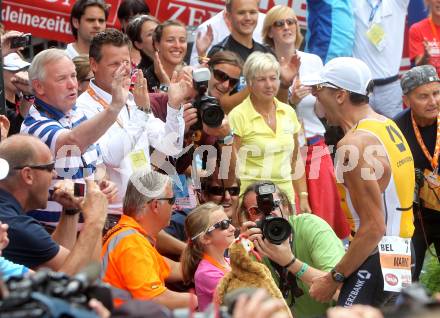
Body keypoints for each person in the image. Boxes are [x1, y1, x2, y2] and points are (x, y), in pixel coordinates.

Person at [305, 57, 415, 306]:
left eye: (319, 90)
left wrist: (333, 278)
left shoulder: (352, 146)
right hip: (401, 251)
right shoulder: (387, 124)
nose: (316, 98)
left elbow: (374, 227)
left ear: (341, 95)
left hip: (376, 256)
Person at [76, 28, 185, 219]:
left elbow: (170, 147)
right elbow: (111, 157)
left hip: (144, 209)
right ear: (94, 64)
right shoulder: (82, 107)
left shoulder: (133, 100)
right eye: (114, 64)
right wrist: (141, 113)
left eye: (126, 62)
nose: (123, 69)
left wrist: (174, 107)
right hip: (110, 215)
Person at [262, 5, 348, 236]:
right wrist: (289, 99)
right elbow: (262, 110)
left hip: (314, 143)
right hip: (283, 150)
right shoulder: (263, 63)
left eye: (290, 22)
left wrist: (320, 96)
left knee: (324, 221)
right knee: (294, 219)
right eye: (279, 24)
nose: (287, 27)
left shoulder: (313, 61)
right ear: (270, 31)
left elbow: (322, 112)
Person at [21, 48, 127, 227]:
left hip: (88, 229)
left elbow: (93, 165)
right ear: (38, 86)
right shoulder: (35, 125)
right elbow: (72, 142)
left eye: (73, 76)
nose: (73, 85)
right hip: (53, 236)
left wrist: (102, 183)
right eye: (62, 79)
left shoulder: (77, 114)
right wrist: (114, 107)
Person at [0, 135, 108, 275]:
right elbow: (83, 278)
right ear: (28, 175)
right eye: (50, 167)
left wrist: (71, 210)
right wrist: (95, 220)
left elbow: (59, 262)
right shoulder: (16, 225)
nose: (55, 174)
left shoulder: (10, 216)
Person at [241, 181, 345, 318]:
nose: (268, 214)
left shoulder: (311, 227)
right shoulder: (250, 245)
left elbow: (341, 290)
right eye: (256, 211)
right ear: (248, 218)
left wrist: (290, 262)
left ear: (286, 207)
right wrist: (245, 252)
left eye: (274, 205)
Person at [100, 170, 197, 309]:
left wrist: (212, 263)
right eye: (171, 200)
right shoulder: (132, 243)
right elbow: (155, 299)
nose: (174, 206)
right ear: (156, 205)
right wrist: (202, 301)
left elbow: (175, 269)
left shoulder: (133, 237)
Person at [228, 52, 310, 210]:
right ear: (250, 83)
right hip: (252, 201)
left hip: (286, 199)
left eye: (273, 78)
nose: (269, 85)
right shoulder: (237, 116)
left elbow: (296, 159)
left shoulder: (288, 112)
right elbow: (233, 167)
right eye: (261, 79)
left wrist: (303, 196)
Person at [394, 65, 440, 281]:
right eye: (423, 96)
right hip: (412, 217)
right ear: (407, 100)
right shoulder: (395, 129)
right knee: (401, 282)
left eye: (436, 93)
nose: (433, 101)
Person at [352, 0, 410, 118]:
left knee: (394, 134)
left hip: (390, 88)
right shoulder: (352, 2)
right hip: (361, 87)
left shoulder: (397, 3)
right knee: (362, 133)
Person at [180, 202, 235, 311]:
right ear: (205, 238)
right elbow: (242, 299)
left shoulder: (229, 261)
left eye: (229, 221)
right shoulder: (207, 274)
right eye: (224, 224)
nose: (233, 228)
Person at [189, 0, 266, 66]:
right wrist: (202, 56)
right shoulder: (207, 28)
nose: (248, 18)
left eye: (252, 12)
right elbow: (196, 70)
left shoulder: (266, 22)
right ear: (229, 16)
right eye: (241, 13)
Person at [144, 20, 188, 93]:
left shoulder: (191, 75)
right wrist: (164, 84)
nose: (177, 45)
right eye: (170, 40)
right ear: (157, 44)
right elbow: (163, 103)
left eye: (182, 40)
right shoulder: (143, 79)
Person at [2, 52, 33, 136]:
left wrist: (29, 95)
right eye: (14, 69)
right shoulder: (2, 106)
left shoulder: (23, 97)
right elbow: (16, 130)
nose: (20, 74)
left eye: (23, 68)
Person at [409, 0, 440, 74]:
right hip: (431, 84)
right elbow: (418, 67)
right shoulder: (417, 29)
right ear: (428, 1)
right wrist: (425, 57)